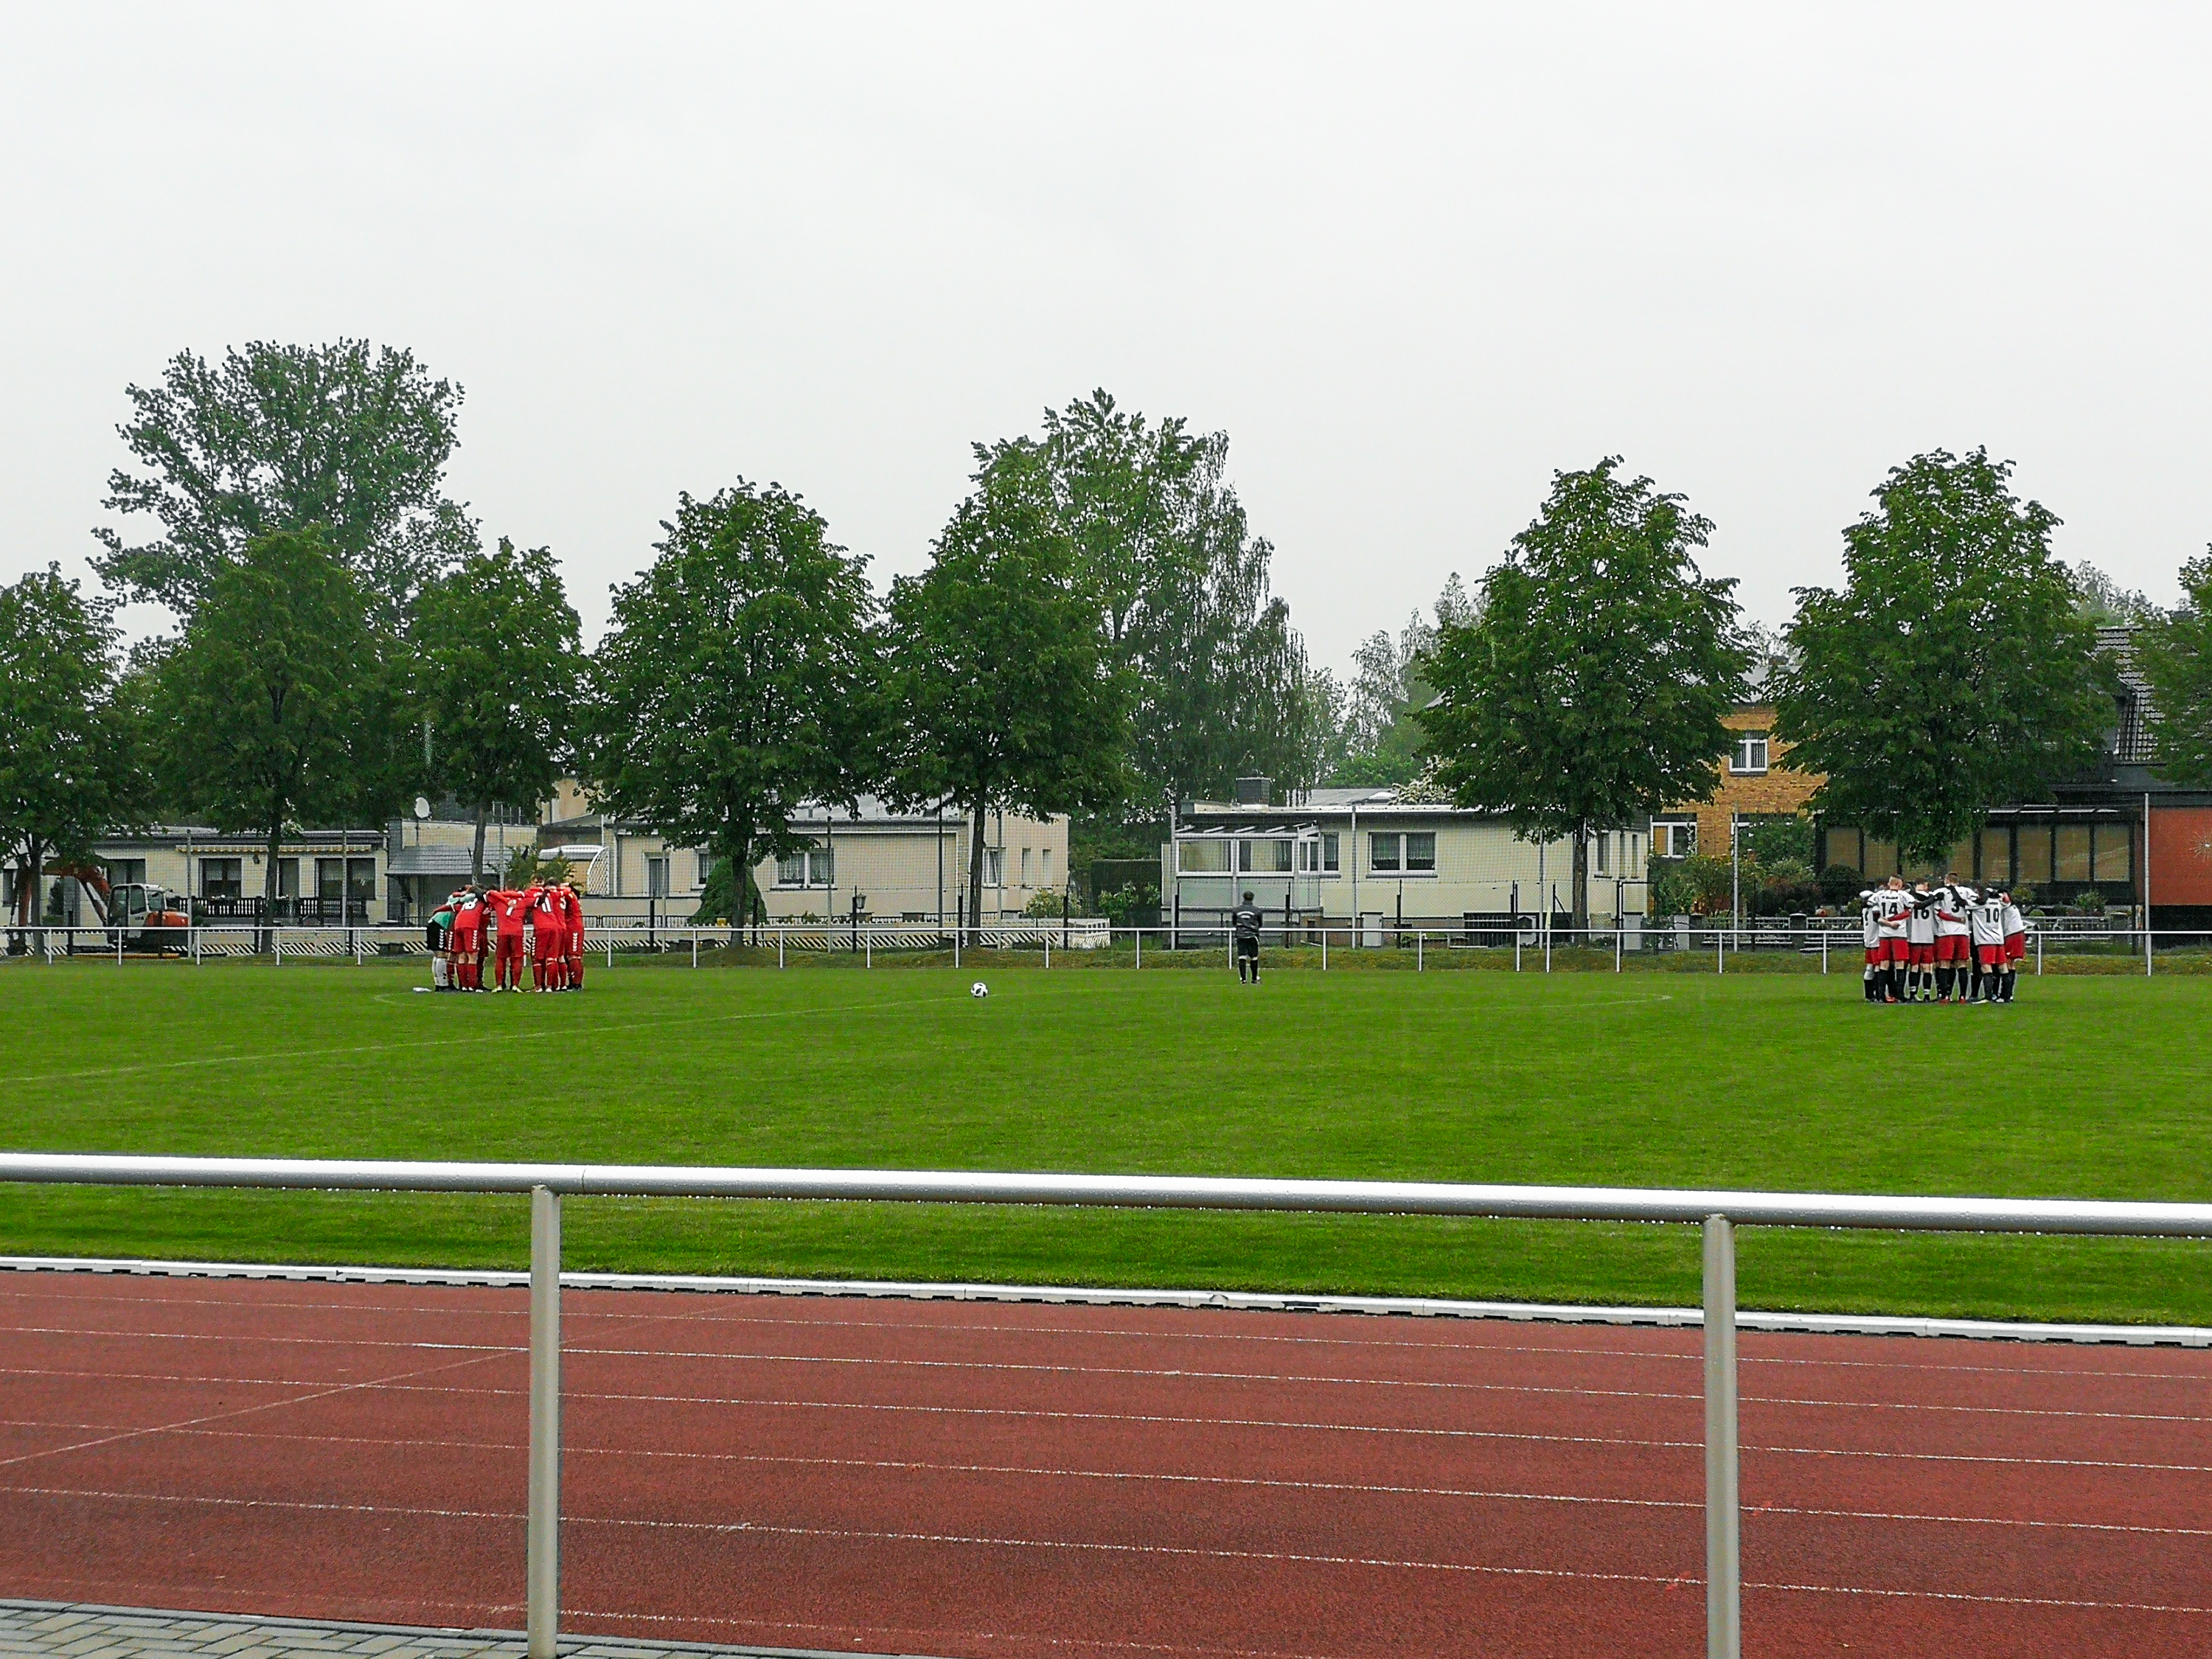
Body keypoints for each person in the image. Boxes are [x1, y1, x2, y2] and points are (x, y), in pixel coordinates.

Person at [1860, 876, 1914, 1004]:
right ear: (1900, 884)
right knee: (1900, 964)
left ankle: (1880, 995)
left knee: (1883, 964)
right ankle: (1899, 995)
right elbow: (1913, 907)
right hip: (1899, 933)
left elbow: (1871, 908)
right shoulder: (1902, 895)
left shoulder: (1878, 896)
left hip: (1883, 934)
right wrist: (1893, 920)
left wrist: (1887, 921)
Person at [1933, 877, 1974, 1004]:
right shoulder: (1966, 891)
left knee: (1945, 964)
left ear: (1947, 881)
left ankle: (1945, 996)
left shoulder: (1940, 892)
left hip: (1947, 933)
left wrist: (1955, 920)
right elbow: (1976, 902)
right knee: (1961, 964)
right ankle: (1962, 996)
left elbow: (1939, 913)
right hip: (1962, 932)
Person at [1967, 886, 2009, 1004]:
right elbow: (2006, 902)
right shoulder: (1998, 902)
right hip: (1999, 939)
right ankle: (2006, 996)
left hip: (1985, 940)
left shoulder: (1979, 904)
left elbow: (1965, 904)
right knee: (2002, 967)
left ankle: (1988, 996)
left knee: (1986, 967)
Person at [487, 885, 529, 992]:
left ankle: (499, 986)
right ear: (517, 888)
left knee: (501, 959)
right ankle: (515, 985)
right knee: (517, 958)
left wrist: (503, 896)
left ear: (505, 888)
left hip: (503, 932)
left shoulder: (498, 899)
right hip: (517, 932)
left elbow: (490, 893)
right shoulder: (523, 900)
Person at [1904, 880, 1938, 1002]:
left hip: (1914, 936)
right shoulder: (1932, 897)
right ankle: (1927, 995)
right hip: (1928, 935)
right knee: (1927, 967)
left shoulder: (1909, 897)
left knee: (1914, 967)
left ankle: (1913, 994)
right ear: (1925, 886)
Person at [530, 883, 566, 992]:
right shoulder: (555, 895)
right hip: (558, 927)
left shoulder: (533, 894)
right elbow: (568, 891)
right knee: (555, 957)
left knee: (536, 957)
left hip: (543, 927)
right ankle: (554, 986)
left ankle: (539, 986)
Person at [451, 886, 487, 991]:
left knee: (461, 956)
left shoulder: (467, 900)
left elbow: (454, 895)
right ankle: (472, 985)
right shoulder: (482, 899)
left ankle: (463, 985)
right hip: (470, 925)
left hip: (458, 924)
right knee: (472, 956)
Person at [1999, 888, 2028, 1004]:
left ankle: (2005, 995)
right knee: (2011, 964)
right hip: (2016, 935)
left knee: (2007, 963)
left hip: (2013, 935)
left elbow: (2005, 900)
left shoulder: (2008, 906)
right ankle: (2008, 994)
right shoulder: (2011, 907)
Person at [1231, 888, 1264, 984]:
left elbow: (1234, 922)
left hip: (1240, 936)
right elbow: (1260, 923)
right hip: (1252, 936)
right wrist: (1254, 928)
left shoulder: (1236, 910)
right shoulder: (1257, 910)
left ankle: (1243, 979)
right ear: (1252, 898)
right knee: (1254, 957)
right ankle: (1254, 979)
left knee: (1242, 957)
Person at [427, 891, 458, 992]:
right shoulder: (458, 902)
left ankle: (439, 984)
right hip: (438, 925)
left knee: (437, 955)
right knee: (441, 955)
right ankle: (443, 984)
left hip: (434, 924)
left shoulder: (452, 900)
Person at [557, 882, 585, 990]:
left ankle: (577, 984)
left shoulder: (570, 895)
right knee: (568, 956)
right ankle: (572, 981)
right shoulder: (569, 897)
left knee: (574, 955)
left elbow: (566, 893)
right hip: (569, 927)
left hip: (575, 928)